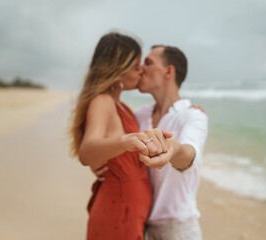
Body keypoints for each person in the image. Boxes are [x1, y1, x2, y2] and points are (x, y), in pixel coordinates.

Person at [94, 45, 208, 239]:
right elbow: (107, 137)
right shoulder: (139, 115)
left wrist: (174, 150)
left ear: (169, 72)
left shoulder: (193, 116)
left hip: (178, 228)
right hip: (141, 224)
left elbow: (190, 155)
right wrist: (99, 162)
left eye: (148, 62)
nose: (141, 68)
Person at [69, 33, 173, 240]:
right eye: (135, 66)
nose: (141, 70)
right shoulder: (102, 101)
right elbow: (86, 151)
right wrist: (125, 141)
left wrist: (190, 111)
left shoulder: (120, 105)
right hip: (117, 212)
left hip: (128, 211)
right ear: (117, 71)